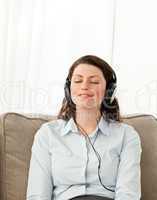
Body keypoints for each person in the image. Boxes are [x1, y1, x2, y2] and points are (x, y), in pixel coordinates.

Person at [26, 55, 142, 200]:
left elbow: (128, 194)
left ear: (109, 90)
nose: (84, 86)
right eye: (78, 80)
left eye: (94, 81)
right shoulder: (47, 134)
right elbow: (38, 195)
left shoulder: (127, 135)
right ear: (68, 89)